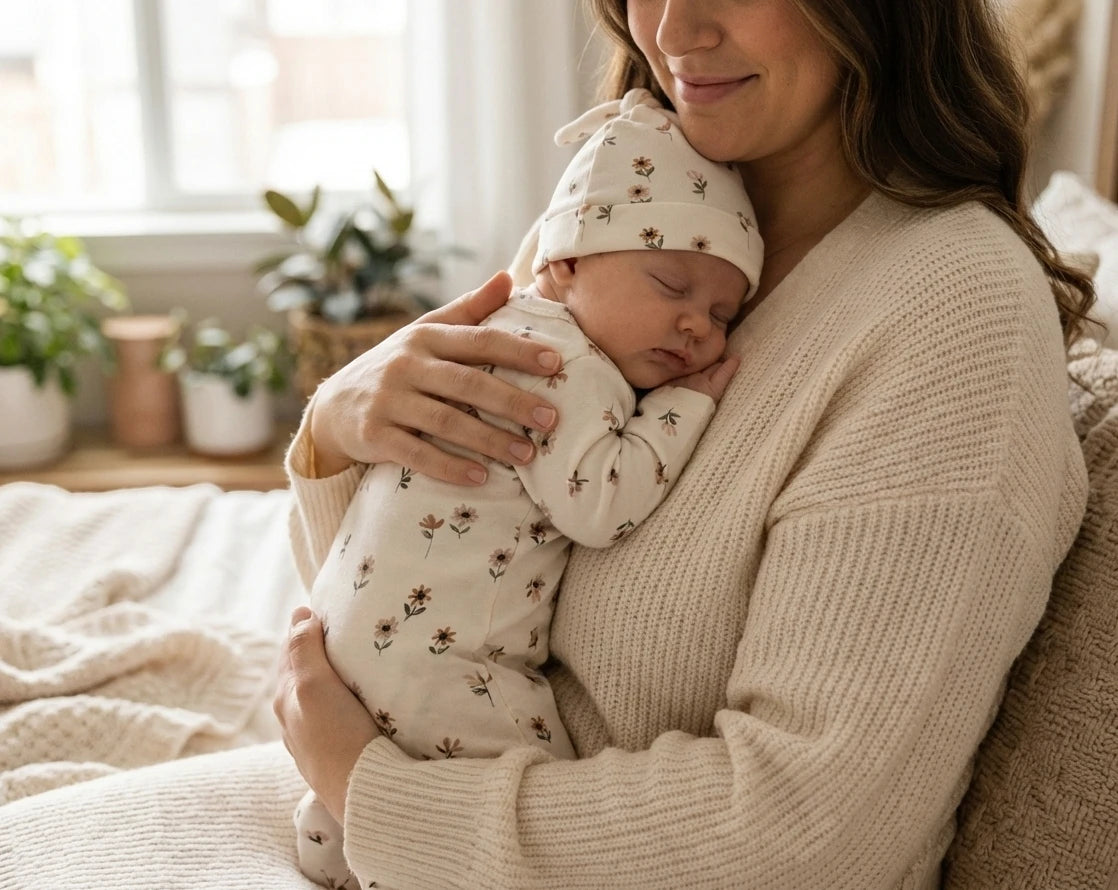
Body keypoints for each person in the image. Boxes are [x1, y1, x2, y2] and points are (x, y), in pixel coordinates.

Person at [275, 0, 1096, 887]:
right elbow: (422, 594)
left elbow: (808, 833)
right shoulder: (640, 198)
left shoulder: (953, 315)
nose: (669, 30)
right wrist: (338, 430)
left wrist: (375, 798)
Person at [292, 88, 763, 890]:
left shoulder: (514, 322)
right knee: (530, 764)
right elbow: (600, 503)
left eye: (724, 313)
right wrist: (686, 406)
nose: (698, 328)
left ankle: (328, 848)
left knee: (340, 829)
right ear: (566, 263)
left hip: (354, 642)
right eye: (670, 285)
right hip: (446, 666)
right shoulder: (570, 368)